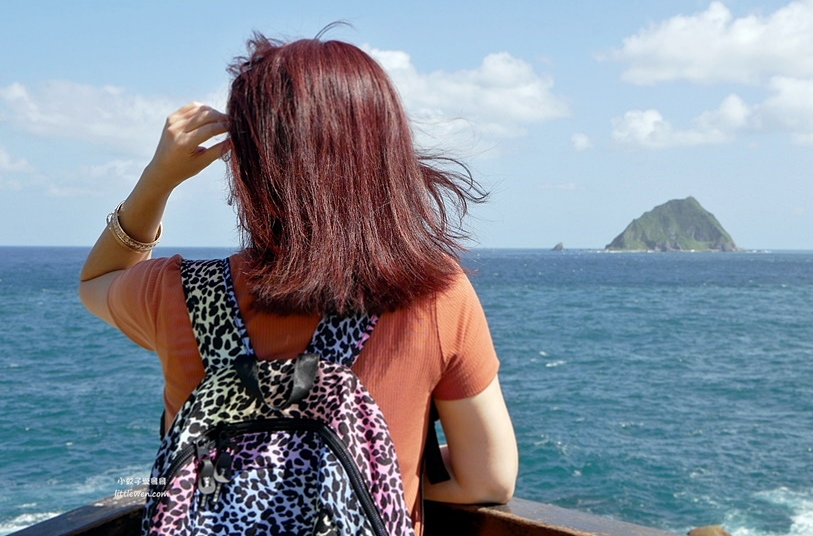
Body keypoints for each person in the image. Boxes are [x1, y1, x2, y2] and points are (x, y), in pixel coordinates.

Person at [79, 33, 518, 534]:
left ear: (247, 163)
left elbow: (96, 280)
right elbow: (489, 478)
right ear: (388, 152)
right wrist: (396, 466)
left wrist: (158, 179)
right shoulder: (436, 294)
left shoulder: (177, 292)